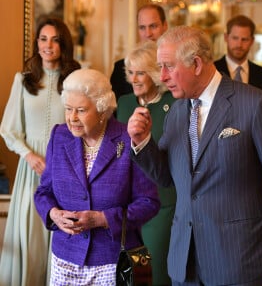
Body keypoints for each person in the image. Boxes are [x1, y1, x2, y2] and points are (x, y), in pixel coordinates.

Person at [127, 26, 262, 286]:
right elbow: (166, 177)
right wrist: (141, 142)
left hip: (238, 259)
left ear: (196, 64)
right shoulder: (176, 112)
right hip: (185, 261)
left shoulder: (255, 105)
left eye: (169, 67)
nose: (162, 77)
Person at [34, 68, 160, 285]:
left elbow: (149, 202)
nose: (72, 118)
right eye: (68, 109)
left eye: (81, 110)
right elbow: (43, 192)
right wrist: (53, 213)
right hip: (65, 258)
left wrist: (103, 219)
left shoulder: (127, 138)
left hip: (113, 260)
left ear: (102, 110)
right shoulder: (59, 135)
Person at [0, 17, 81, 286]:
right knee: (31, 234)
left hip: (65, 170)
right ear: (36, 43)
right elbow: (9, 129)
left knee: (60, 235)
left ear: (63, 44)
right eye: (43, 39)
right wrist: (29, 155)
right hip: (30, 169)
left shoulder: (75, 80)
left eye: (55, 39)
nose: (48, 45)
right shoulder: (23, 80)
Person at [117, 40, 176, 285]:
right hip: (128, 205)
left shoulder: (174, 103)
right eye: (131, 73)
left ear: (155, 72)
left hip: (163, 202)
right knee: (130, 275)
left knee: (157, 274)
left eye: (141, 72)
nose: (134, 79)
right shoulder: (124, 103)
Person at [110, 3, 168, 100]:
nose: (148, 34)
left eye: (153, 26)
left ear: (165, 25)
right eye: (142, 28)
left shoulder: (175, 67)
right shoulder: (120, 69)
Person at [214, 14, 262, 97]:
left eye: (244, 39)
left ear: (252, 41)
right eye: (235, 38)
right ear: (226, 38)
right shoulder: (212, 71)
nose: (239, 44)